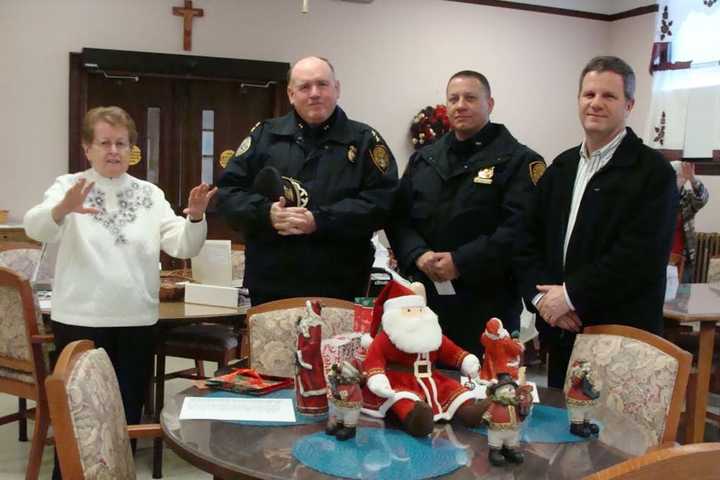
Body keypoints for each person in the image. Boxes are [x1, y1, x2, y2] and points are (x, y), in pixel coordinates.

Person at [23, 106, 215, 478]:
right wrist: (64, 208)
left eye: (121, 143)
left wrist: (194, 216)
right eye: (104, 143)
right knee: (77, 414)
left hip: (136, 321)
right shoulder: (69, 186)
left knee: (124, 415)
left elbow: (182, 245)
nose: (113, 151)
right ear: (87, 147)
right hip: (79, 321)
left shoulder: (150, 193)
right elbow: (36, 228)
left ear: (132, 149)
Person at [514, 56, 678, 388]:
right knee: (561, 433)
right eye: (589, 95)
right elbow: (525, 240)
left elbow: (639, 256)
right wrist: (542, 299)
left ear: (629, 104)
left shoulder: (652, 173)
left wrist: (571, 295)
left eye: (609, 96)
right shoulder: (561, 167)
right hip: (562, 331)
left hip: (622, 337)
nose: (596, 104)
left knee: (615, 438)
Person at [216, 56, 398, 305]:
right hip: (270, 284)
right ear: (291, 94)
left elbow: (383, 203)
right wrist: (265, 213)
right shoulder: (264, 136)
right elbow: (228, 194)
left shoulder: (365, 140)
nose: (314, 93)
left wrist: (320, 220)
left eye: (322, 84)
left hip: (341, 284)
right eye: (304, 87)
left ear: (337, 89)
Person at [388, 70, 544, 357]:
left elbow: (519, 229)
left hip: (488, 305)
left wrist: (461, 261)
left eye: (470, 98)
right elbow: (398, 218)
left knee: (490, 394)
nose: (461, 105)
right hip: (425, 303)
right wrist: (418, 254)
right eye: (454, 98)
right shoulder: (425, 160)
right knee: (421, 388)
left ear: (490, 104)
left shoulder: (520, 161)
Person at [361, 280, 487, 437]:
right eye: (409, 311)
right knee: (401, 398)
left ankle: (469, 412)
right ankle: (416, 420)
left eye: (419, 310)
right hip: (400, 380)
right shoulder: (386, 338)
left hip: (432, 378)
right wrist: (377, 377)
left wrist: (465, 360)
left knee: (451, 389)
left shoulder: (433, 333)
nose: (416, 315)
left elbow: (450, 351)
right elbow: (374, 359)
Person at [670, 161, 709, 283]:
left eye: (681, 176)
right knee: (661, 298)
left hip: (684, 259)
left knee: (682, 297)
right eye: (676, 176)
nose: (679, 179)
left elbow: (702, 199)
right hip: (659, 258)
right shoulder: (659, 197)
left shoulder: (688, 199)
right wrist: (674, 189)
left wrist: (692, 178)